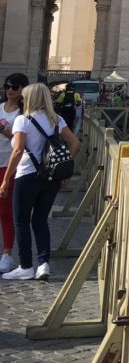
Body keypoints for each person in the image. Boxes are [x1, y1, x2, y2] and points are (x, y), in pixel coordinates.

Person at [0, 83, 80, 281]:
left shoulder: (22, 120)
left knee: (21, 221)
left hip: (27, 175)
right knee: (40, 220)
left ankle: (26, 266)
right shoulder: (57, 119)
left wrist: (6, 179)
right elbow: (75, 143)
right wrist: (63, 171)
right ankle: (43, 264)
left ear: (30, 98)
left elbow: (18, 151)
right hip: (50, 177)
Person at [0, 73, 28, 273]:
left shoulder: (23, 114)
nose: (10, 90)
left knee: (6, 212)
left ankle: (7, 254)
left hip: (9, 165)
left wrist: (4, 131)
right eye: (8, 86)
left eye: (15, 87)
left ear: (22, 91)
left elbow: (20, 142)